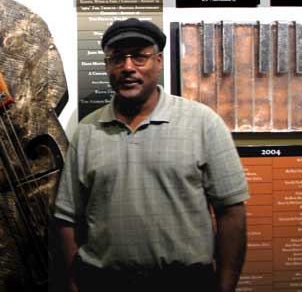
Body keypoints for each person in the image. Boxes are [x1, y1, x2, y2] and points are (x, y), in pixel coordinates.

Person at [54, 18, 249, 292]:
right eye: (118, 58)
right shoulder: (87, 132)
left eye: (139, 57)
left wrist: (226, 287)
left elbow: (231, 211)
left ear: (158, 61)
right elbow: (67, 217)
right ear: (107, 66)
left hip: (185, 283)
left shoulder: (203, 123)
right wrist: (74, 284)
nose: (128, 67)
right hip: (105, 283)